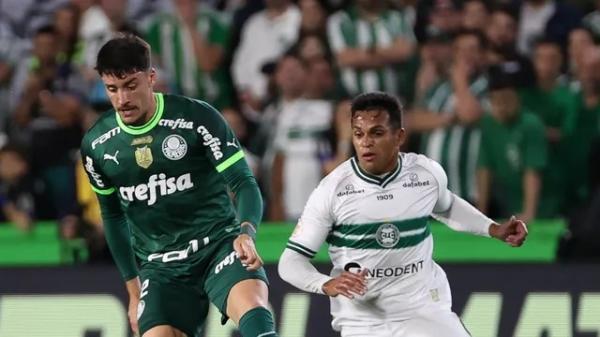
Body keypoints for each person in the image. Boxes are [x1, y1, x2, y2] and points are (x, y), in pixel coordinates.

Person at [278, 92, 528, 337]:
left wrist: (493, 229)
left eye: (377, 133)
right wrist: (325, 284)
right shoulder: (332, 190)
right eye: (358, 134)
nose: (366, 142)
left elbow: (447, 206)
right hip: (363, 323)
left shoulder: (425, 174)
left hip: (424, 312)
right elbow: (290, 263)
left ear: (399, 137)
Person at [81, 35, 278, 337]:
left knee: (255, 312)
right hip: (161, 267)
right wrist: (134, 292)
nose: (122, 99)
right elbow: (112, 216)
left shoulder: (196, 117)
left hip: (218, 245)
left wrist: (247, 232)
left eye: (131, 85)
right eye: (113, 89)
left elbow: (243, 182)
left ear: (151, 78)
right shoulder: (97, 145)